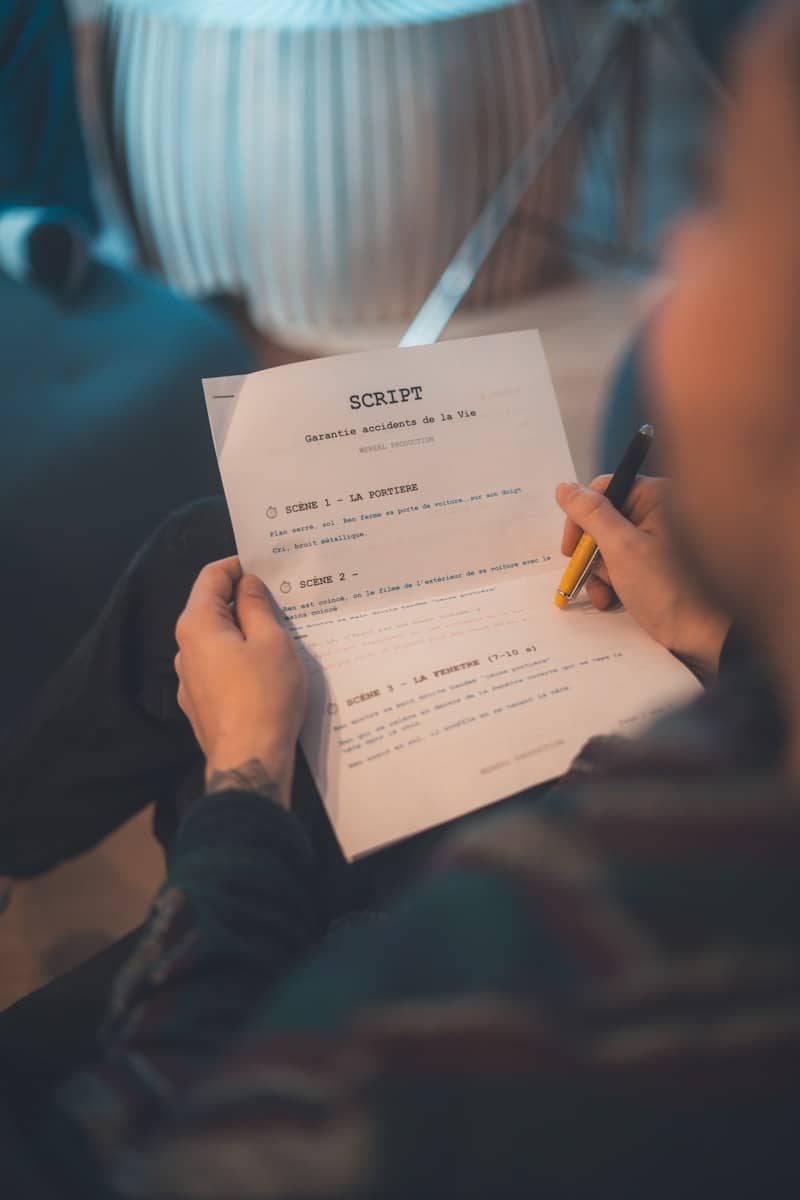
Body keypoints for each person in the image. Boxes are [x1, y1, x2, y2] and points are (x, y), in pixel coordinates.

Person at [3, 0, 800, 1194]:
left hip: (284, 948)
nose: (674, 265)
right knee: (213, 550)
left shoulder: (541, 965)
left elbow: (165, 1125)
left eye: (728, 213)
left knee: (234, 603)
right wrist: (724, 633)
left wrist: (242, 782)